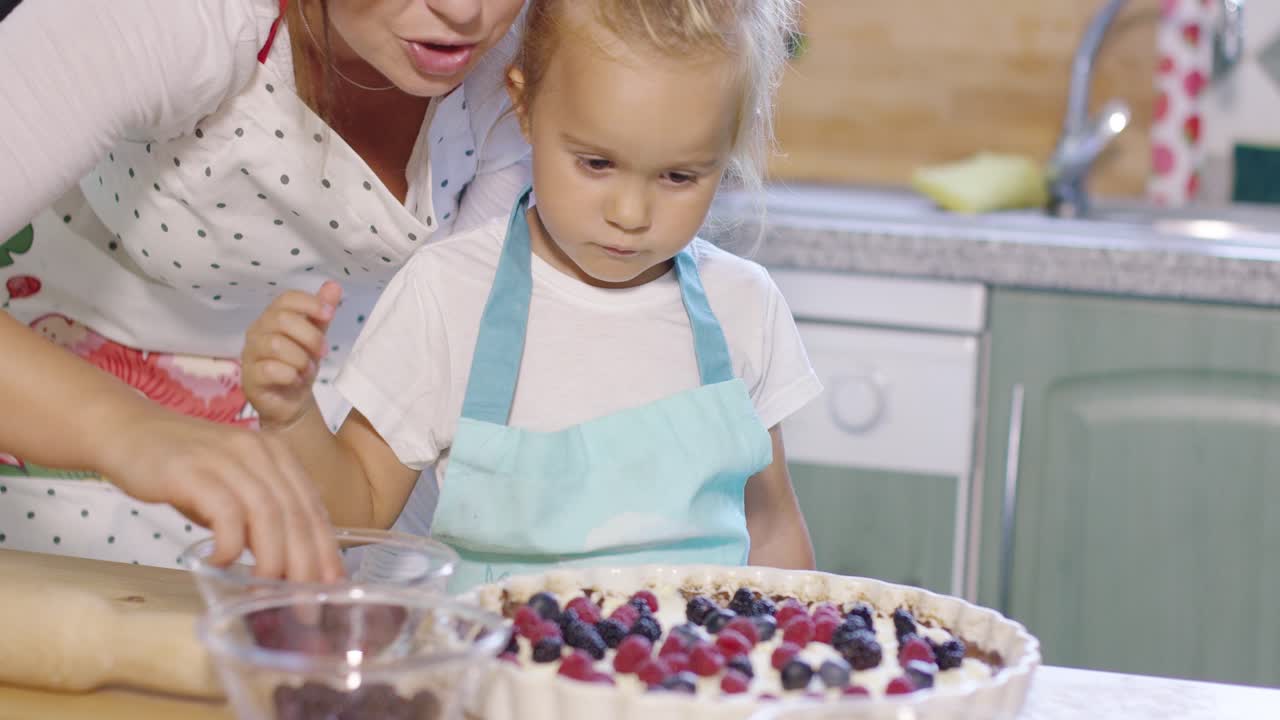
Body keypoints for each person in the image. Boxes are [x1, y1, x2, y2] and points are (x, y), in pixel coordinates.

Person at [243, 0, 821, 592]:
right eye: (596, 163)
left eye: (679, 177)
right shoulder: (447, 295)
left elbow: (772, 530)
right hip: (502, 676)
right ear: (524, 106)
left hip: (692, 681)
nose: (630, 214)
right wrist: (292, 417)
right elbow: (354, 513)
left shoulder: (745, 305)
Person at [0, 0, 530, 581]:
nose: (463, 10)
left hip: (343, 471)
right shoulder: (173, 17)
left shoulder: (530, 60)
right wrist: (128, 430)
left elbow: (476, 328)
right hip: (49, 416)